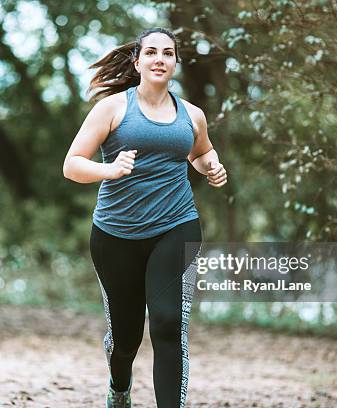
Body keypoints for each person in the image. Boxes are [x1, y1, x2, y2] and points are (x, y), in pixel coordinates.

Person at [62, 27, 227, 408]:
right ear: (137, 62)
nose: (159, 59)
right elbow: (72, 165)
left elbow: (201, 154)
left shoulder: (192, 115)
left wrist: (211, 167)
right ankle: (119, 388)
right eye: (151, 52)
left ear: (175, 63)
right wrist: (110, 170)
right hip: (115, 234)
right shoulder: (113, 108)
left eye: (167, 53)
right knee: (126, 338)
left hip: (176, 225)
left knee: (169, 324)